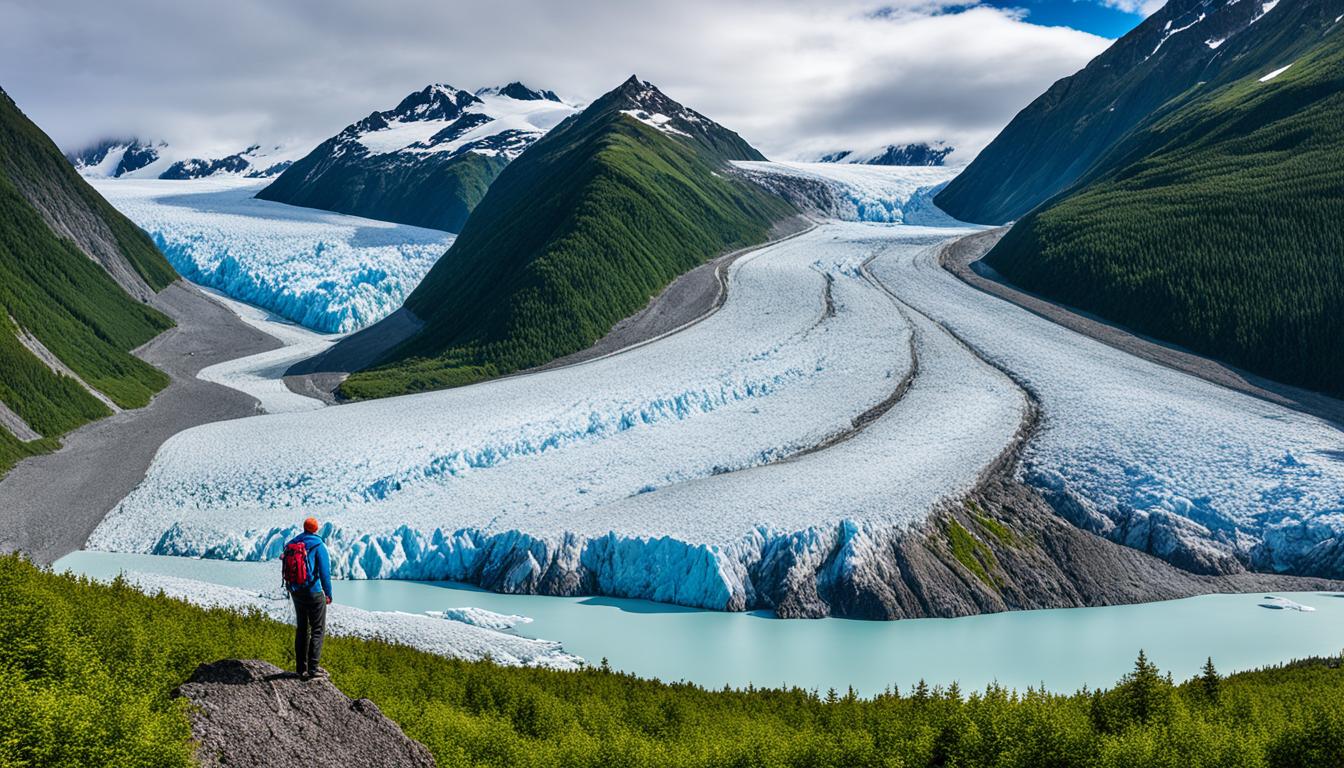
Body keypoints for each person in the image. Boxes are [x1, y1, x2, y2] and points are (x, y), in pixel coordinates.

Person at [282, 517, 332, 679]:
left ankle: (300, 668)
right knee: (317, 629)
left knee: (302, 628)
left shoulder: (293, 543)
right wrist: (328, 593)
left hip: (296, 591)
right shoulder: (319, 545)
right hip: (313, 592)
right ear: (316, 529)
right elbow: (325, 573)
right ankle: (313, 668)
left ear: (304, 528)